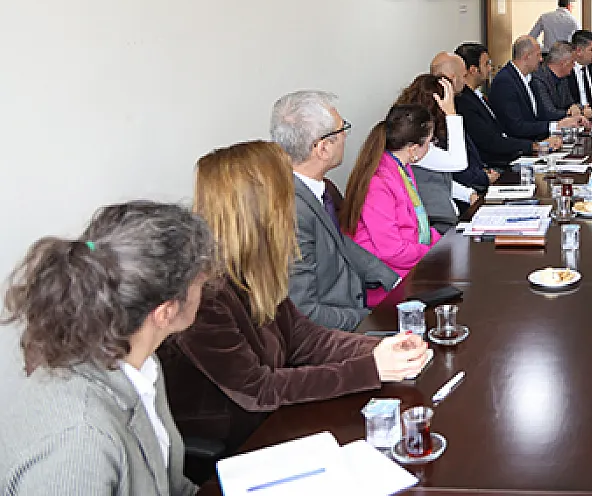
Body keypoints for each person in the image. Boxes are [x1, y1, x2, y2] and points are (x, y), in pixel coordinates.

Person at [161, 141, 431, 454]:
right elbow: (258, 390)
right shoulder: (203, 296)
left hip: (279, 415)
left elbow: (305, 339)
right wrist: (371, 369)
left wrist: (382, 348)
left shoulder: (255, 271)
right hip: (242, 439)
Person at [0, 202, 212, 495]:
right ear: (166, 312)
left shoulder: (141, 365)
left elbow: (166, 485)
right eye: (200, 283)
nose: (206, 289)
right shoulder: (79, 440)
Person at [270, 90, 400, 331]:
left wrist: (394, 281)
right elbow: (305, 311)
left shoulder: (313, 189)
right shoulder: (292, 210)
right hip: (336, 331)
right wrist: (368, 319)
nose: (345, 136)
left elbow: (338, 242)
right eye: (342, 130)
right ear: (322, 148)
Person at [341, 105, 444, 306]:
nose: (431, 147)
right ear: (413, 149)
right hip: (388, 280)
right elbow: (392, 251)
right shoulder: (378, 182)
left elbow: (416, 225)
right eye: (430, 142)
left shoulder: (400, 168)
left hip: (409, 263)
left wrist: (441, 244)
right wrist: (432, 253)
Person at [454, 42, 557, 167]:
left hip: (508, 154)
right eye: (486, 64)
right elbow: (490, 141)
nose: (490, 68)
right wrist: (534, 146)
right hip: (494, 164)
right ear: (473, 70)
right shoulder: (465, 102)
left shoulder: (477, 96)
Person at [394, 73, 473, 233]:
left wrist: (468, 194)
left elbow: (438, 177)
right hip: (435, 224)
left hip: (444, 217)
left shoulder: (417, 139)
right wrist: (451, 114)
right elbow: (458, 163)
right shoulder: (414, 145)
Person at [429, 51, 499, 195]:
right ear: (453, 78)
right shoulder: (441, 111)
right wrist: (483, 178)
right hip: (459, 188)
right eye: (463, 76)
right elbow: (457, 166)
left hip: (469, 182)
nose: (465, 81)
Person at [489, 36, 584, 141]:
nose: (541, 59)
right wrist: (556, 126)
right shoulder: (505, 81)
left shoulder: (530, 78)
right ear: (526, 56)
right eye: (538, 55)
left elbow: (540, 113)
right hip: (520, 146)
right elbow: (516, 127)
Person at [531, 40, 586, 121]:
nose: (574, 65)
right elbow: (549, 113)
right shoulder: (539, 79)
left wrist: (576, 107)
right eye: (572, 62)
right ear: (564, 63)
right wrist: (571, 113)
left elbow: (570, 103)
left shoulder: (563, 78)